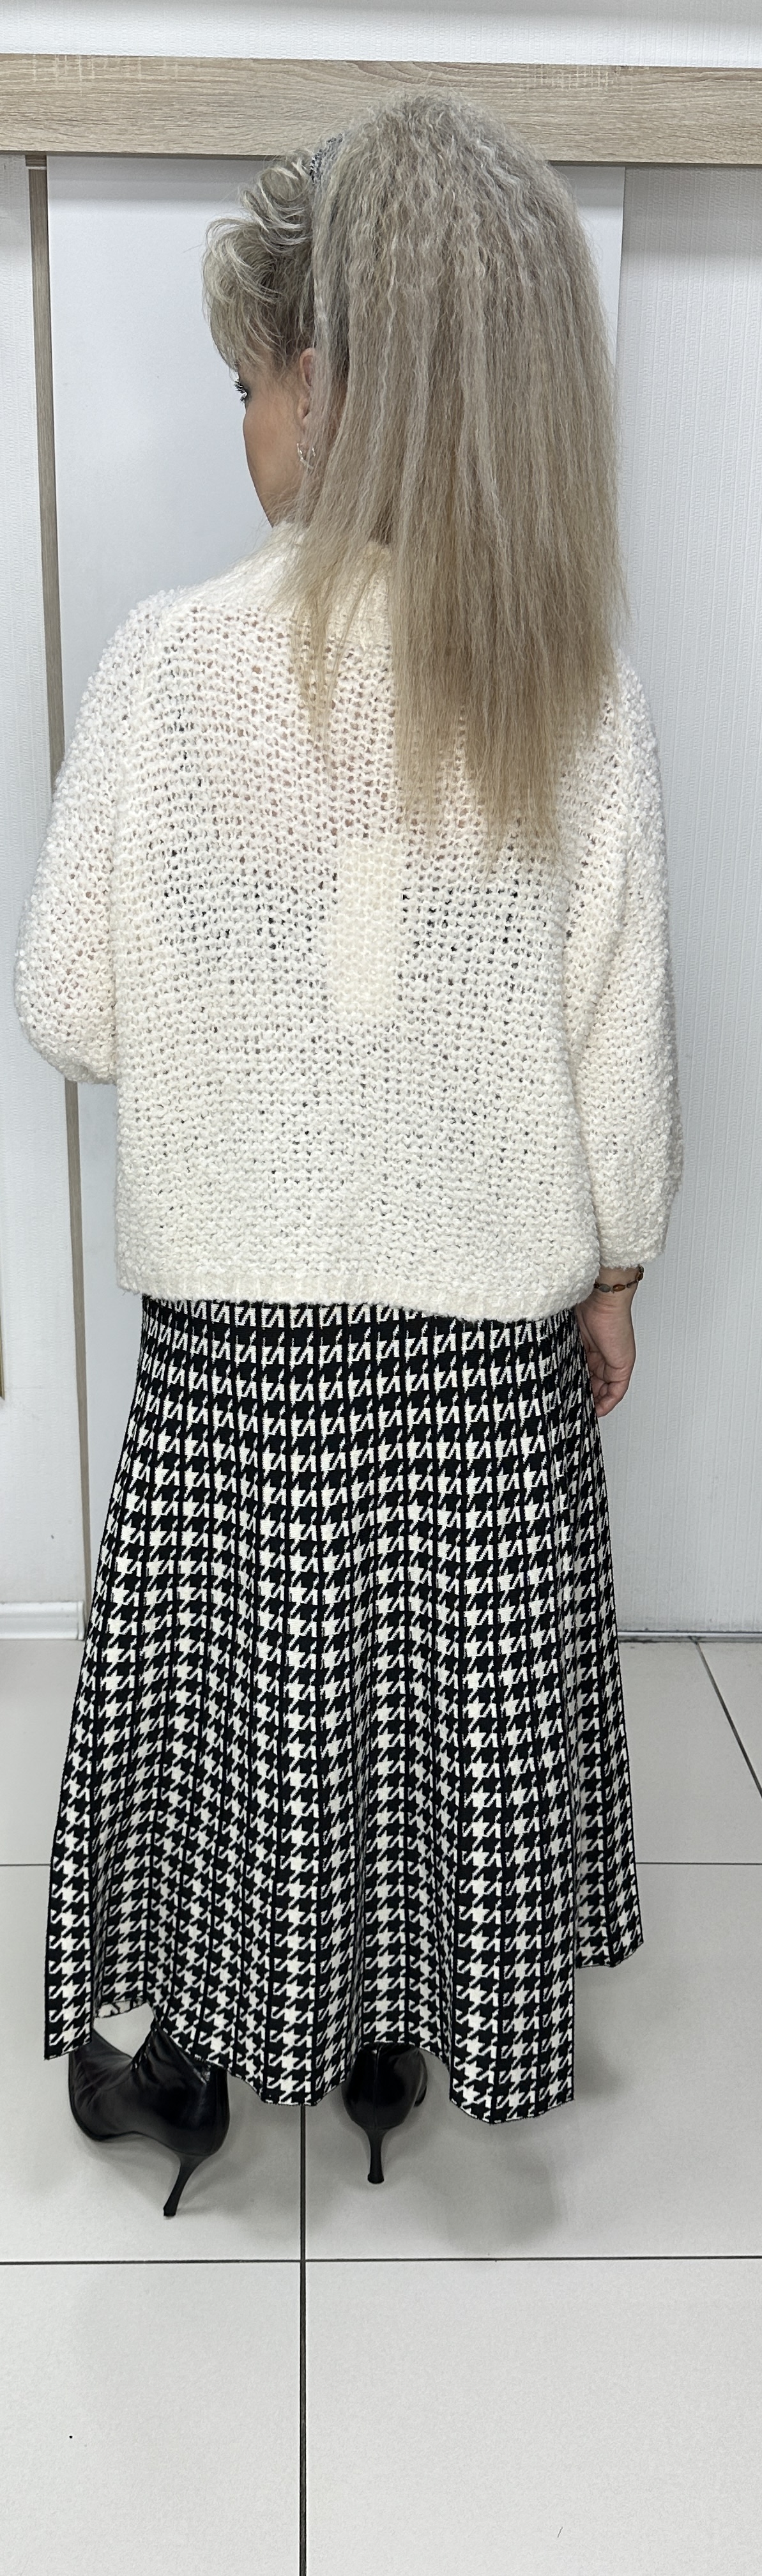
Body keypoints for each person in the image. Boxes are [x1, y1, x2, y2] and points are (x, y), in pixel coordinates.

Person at [13, 93, 683, 2215]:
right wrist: (614, 1266)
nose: (242, 423)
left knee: (254, 1710)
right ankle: (406, 2033)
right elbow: (618, 1051)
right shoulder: (571, 686)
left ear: (325, 381)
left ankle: (202, 2055)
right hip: (484, 1363)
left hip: (239, 1362)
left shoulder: (166, 669)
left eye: (247, 384)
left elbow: (69, 1009)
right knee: (443, 1697)